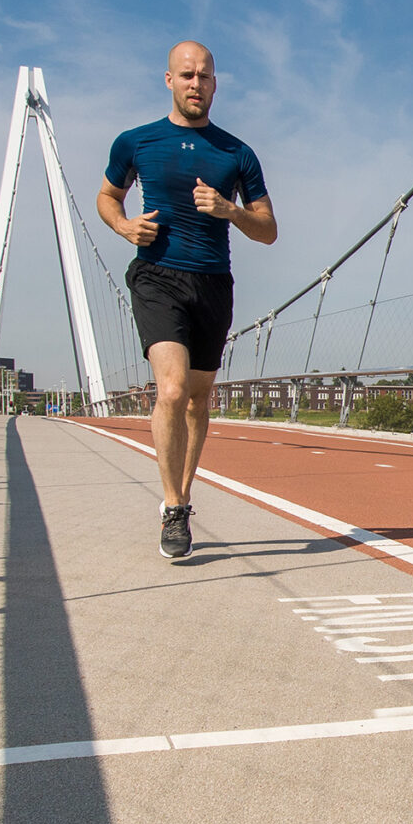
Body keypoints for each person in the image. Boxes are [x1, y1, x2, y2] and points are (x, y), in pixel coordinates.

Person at [98, 40, 276, 560]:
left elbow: (266, 229)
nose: (196, 83)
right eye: (186, 75)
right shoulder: (136, 142)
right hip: (157, 276)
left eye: (204, 76)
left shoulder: (236, 153)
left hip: (213, 283)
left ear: (215, 84)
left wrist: (229, 210)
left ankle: (185, 493)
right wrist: (125, 225)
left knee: (199, 399)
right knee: (173, 390)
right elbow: (108, 196)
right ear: (169, 81)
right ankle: (173, 507)